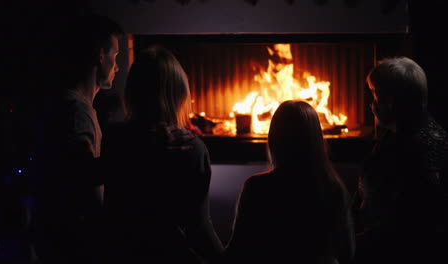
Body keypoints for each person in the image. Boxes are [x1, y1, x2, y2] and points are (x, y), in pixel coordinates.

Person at [100, 45, 224, 263]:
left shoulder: (112, 140)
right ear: (179, 94)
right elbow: (199, 227)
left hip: (118, 252)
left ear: (133, 92)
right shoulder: (190, 149)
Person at [32, 13, 123, 264]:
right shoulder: (76, 112)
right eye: (115, 56)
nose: (118, 66)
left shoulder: (79, 107)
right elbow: (86, 179)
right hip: (74, 245)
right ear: (99, 55)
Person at [225, 100, 355, 264]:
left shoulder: (257, 187)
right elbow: (347, 252)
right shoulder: (333, 188)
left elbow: (238, 249)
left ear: (274, 138)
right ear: (316, 140)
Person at [353, 56, 448, 264]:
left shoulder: (417, 149)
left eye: (375, 96)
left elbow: (406, 224)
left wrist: (353, 243)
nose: (371, 104)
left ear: (391, 103)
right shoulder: (397, 133)